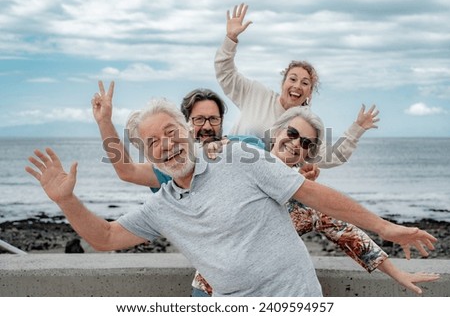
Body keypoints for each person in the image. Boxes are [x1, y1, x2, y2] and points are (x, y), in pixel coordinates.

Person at [26, 96, 437, 296]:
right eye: (153, 142)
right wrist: (66, 201)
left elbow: (316, 197)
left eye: (172, 132)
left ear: (187, 132)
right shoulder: (161, 205)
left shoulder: (240, 157)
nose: (166, 144)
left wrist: (388, 228)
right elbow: (105, 238)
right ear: (147, 153)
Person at [215, 3, 380, 168]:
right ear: (283, 83)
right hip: (227, 167)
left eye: (305, 83)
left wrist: (357, 129)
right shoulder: (256, 94)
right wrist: (231, 39)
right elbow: (225, 73)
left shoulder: (305, 125)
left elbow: (331, 156)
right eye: (292, 79)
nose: (297, 86)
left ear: (310, 93)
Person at [92, 81, 227, 188]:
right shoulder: (172, 167)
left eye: (214, 119)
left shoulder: (234, 147)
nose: (207, 126)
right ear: (186, 125)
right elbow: (128, 171)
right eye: (199, 119)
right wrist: (104, 122)